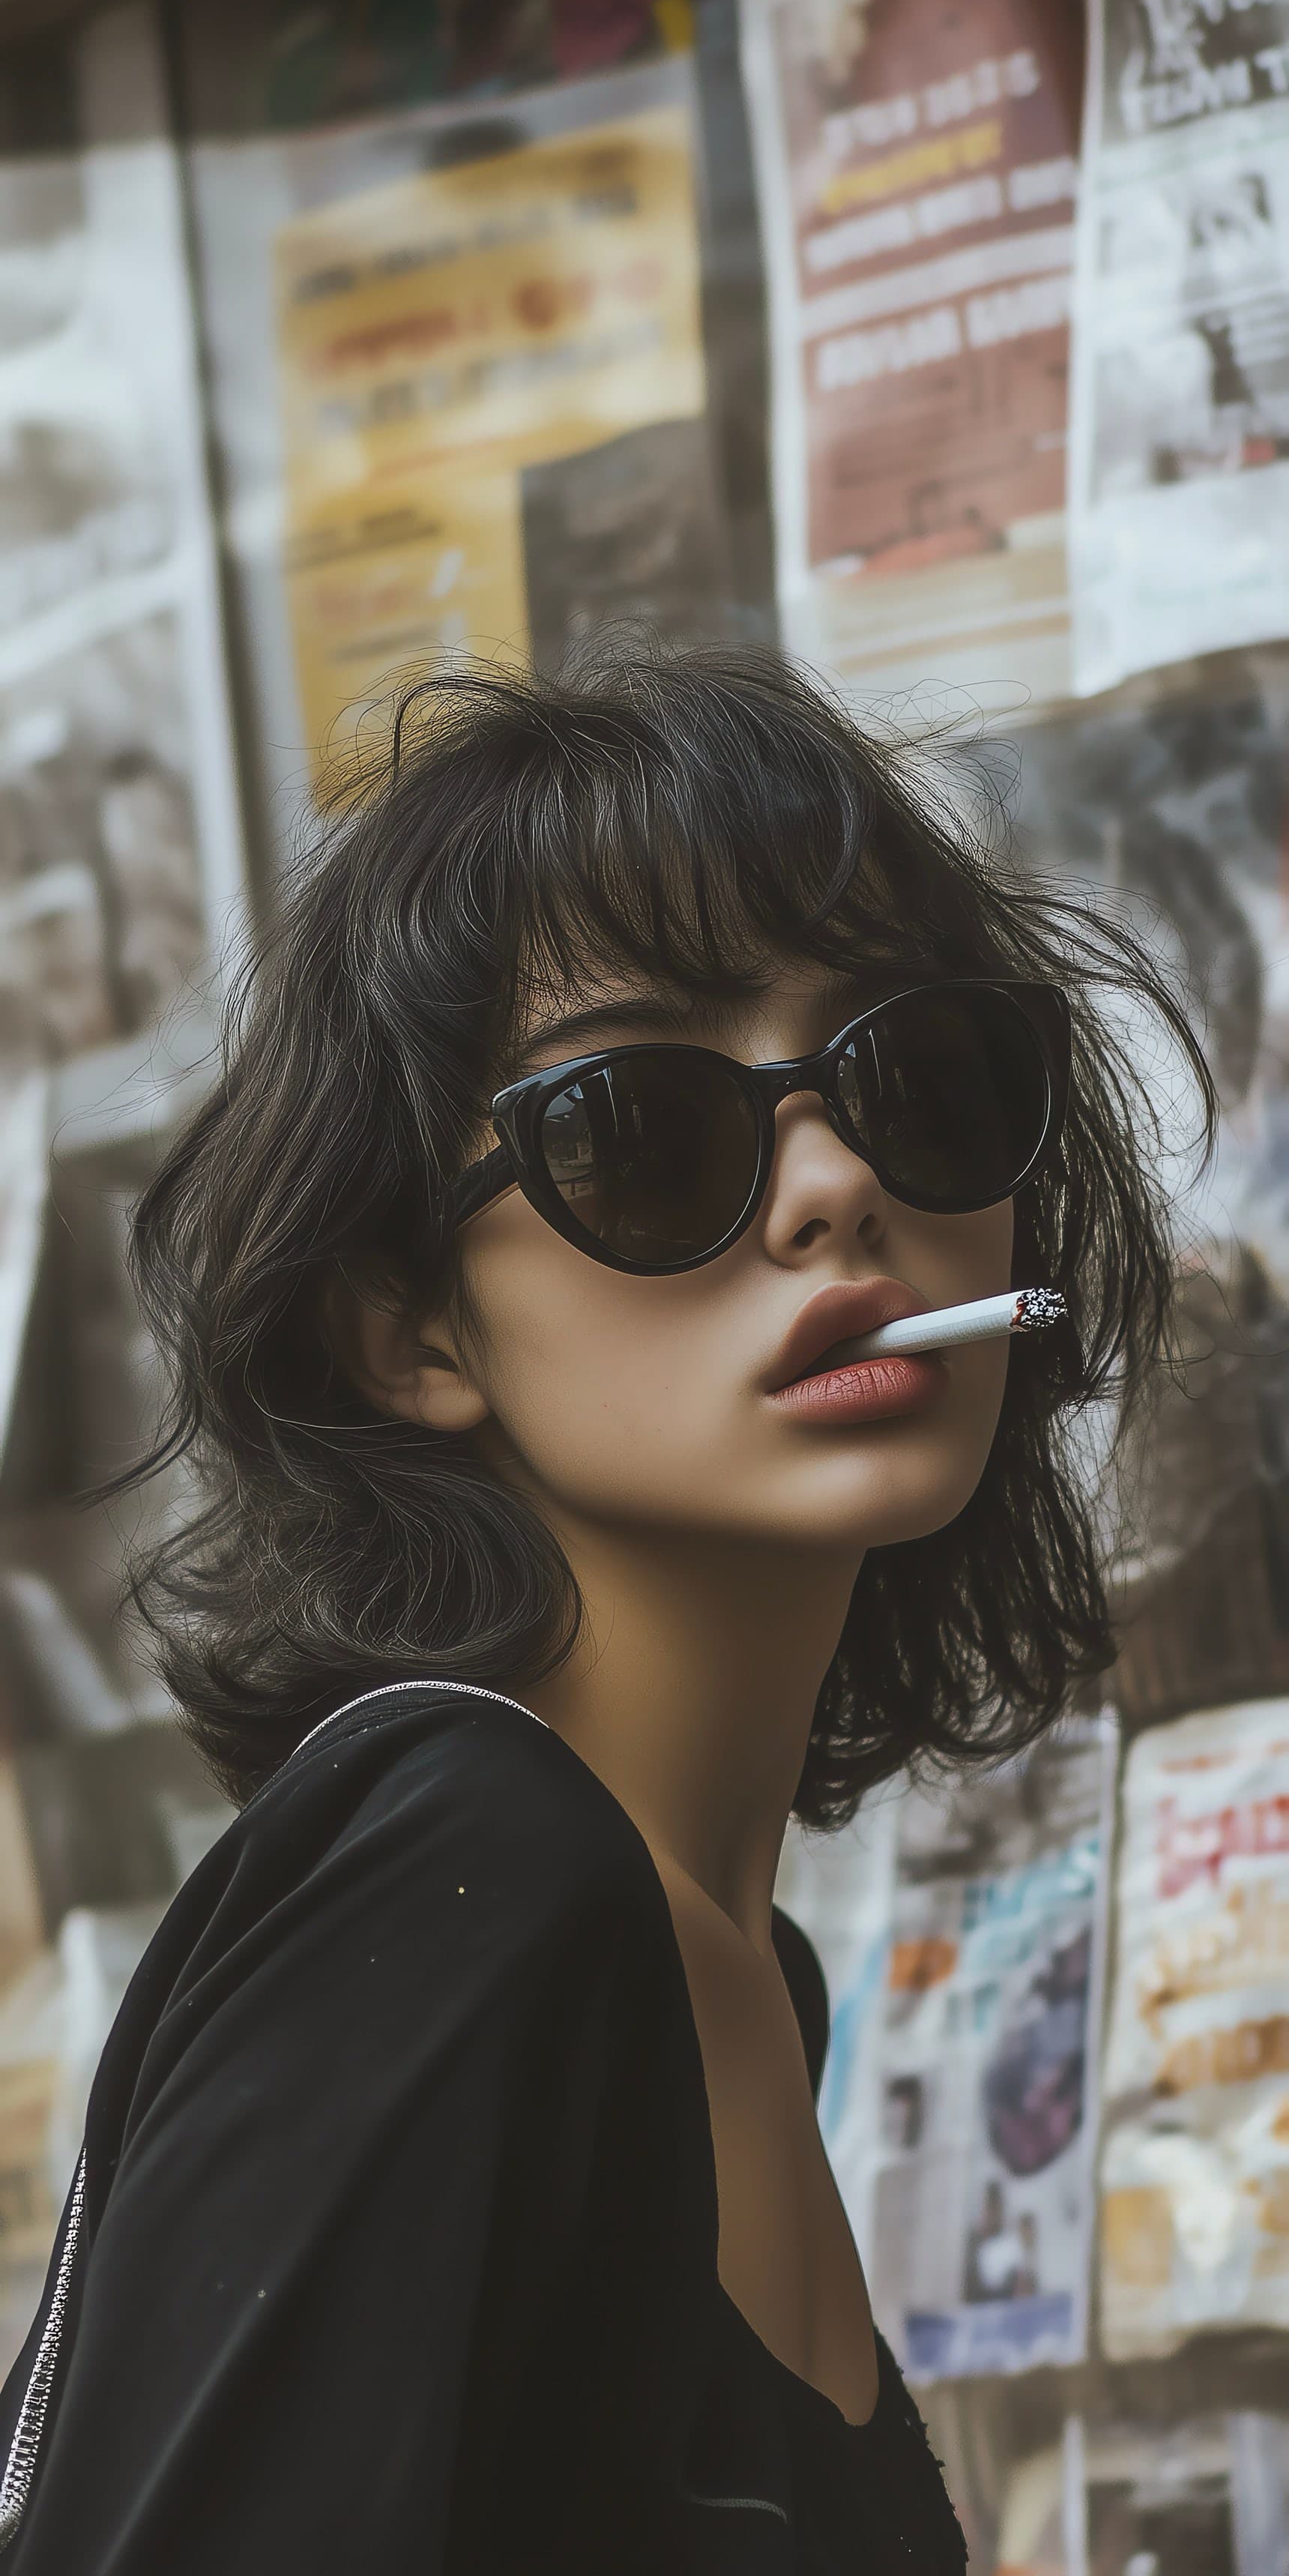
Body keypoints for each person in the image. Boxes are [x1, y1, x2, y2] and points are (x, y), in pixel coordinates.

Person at [0, 648, 1212, 2571]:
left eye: (918, 1075)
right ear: (406, 1327)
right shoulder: (467, 1875)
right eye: (640, 1126)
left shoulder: (723, 1965)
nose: (829, 1184)